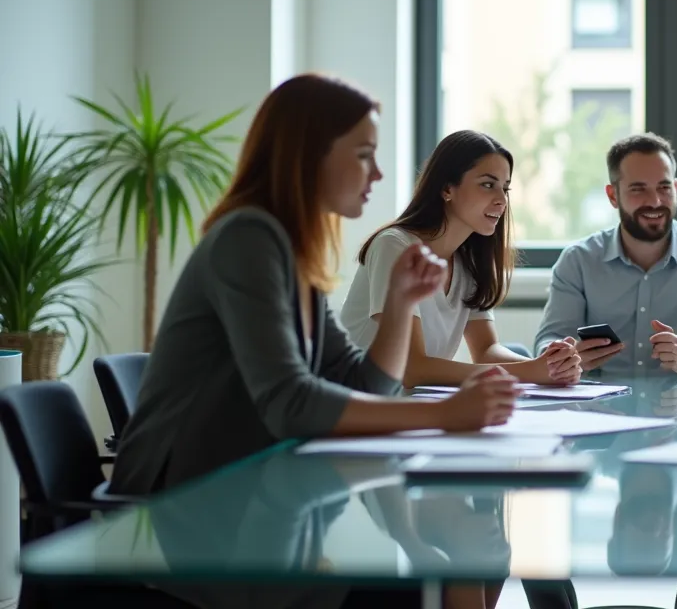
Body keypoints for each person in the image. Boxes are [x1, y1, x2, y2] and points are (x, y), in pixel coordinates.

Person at [107, 74, 519, 609]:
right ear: (309, 156)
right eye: (364, 155)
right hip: (189, 510)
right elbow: (291, 403)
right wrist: (444, 415)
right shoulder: (248, 238)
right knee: (414, 587)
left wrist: (398, 306)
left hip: (256, 494)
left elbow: (362, 382)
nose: (380, 173)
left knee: (426, 575)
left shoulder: (289, 250)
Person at [341, 130, 582, 386]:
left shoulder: (469, 261)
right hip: (358, 406)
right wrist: (529, 372)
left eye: (505, 188)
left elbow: (486, 351)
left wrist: (551, 366)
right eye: (488, 185)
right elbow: (411, 368)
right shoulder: (395, 246)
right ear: (447, 188)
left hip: (416, 407)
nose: (502, 200)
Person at [534, 133, 677, 374]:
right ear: (613, 196)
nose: (654, 201)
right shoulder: (578, 260)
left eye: (664, 187)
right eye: (638, 189)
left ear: (675, 188)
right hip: (596, 407)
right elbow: (549, 338)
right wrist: (563, 357)